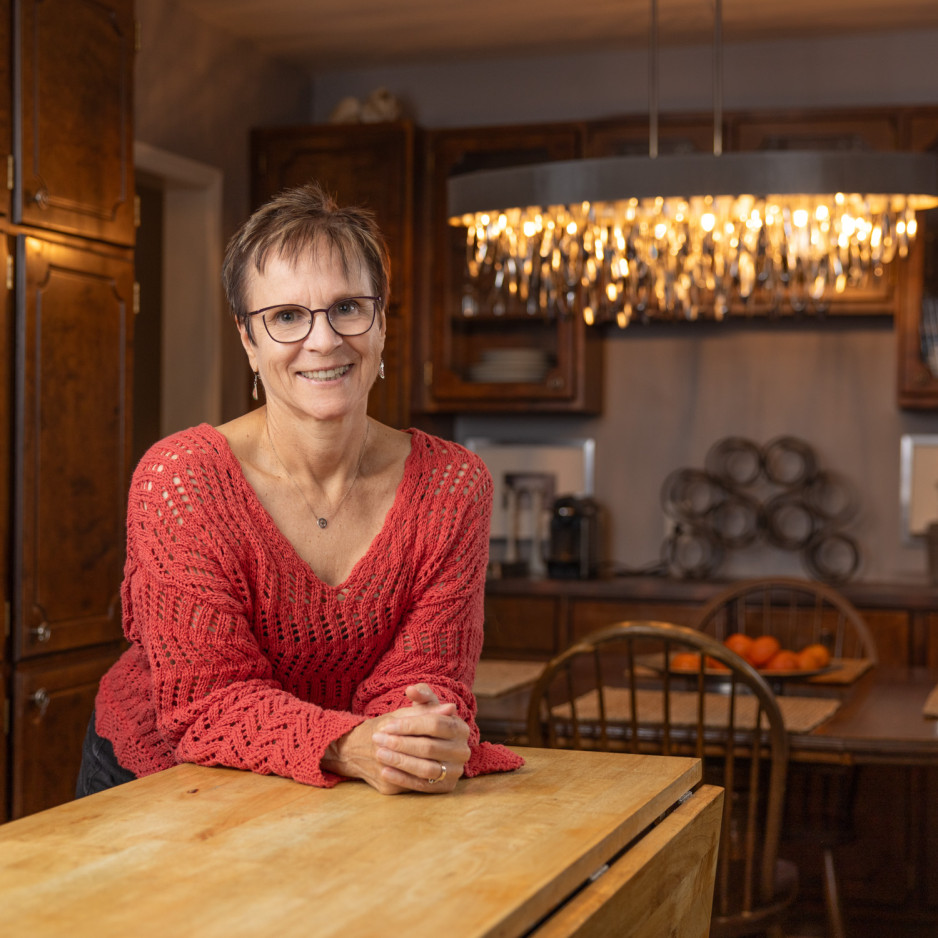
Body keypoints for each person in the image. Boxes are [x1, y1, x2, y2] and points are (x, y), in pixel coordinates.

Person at [77, 182, 524, 797]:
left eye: (348, 308)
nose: (323, 340)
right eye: (286, 316)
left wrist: (422, 730)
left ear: (381, 322)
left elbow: (425, 678)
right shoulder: (181, 480)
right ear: (247, 339)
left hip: (354, 782)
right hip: (161, 779)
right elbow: (208, 702)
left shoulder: (451, 486)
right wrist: (348, 746)